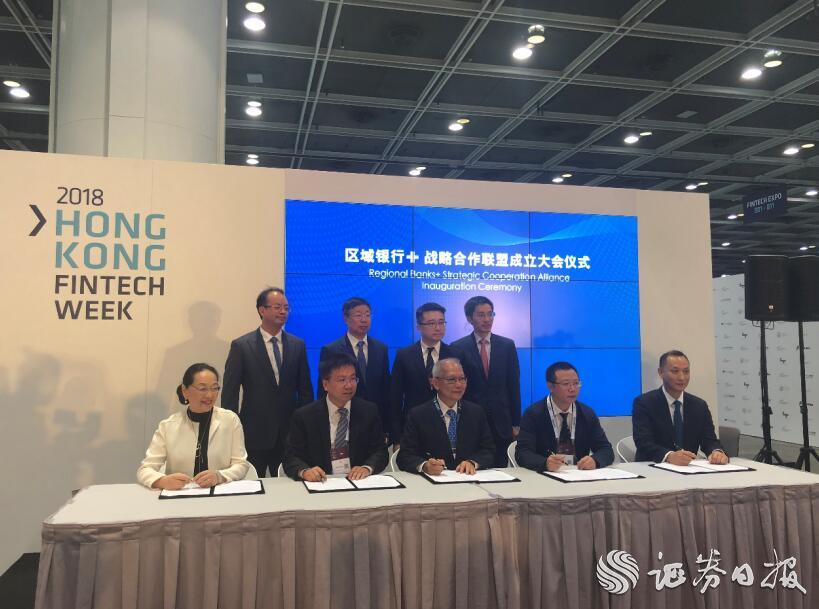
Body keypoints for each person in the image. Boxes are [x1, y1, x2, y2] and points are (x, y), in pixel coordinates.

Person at [222, 287, 313, 477]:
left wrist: (305, 426)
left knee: (290, 484)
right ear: (262, 310)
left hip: (289, 433)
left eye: (286, 308)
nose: (283, 312)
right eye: (277, 307)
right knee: (253, 484)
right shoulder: (242, 346)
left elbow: (305, 390)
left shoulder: (297, 345)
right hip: (254, 432)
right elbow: (230, 393)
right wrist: (232, 429)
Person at [138, 363, 249, 489]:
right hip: (181, 495)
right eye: (203, 389)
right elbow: (145, 469)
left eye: (215, 388)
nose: (210, 395)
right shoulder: (168, 426)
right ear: (185, 391)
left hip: (219, 494)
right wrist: (162, 481)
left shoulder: (230, 420)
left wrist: (220, 476)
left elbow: (241, 464)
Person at [284, 353, 388, 481]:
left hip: (357, 482)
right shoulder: (304, 416)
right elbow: (291, 457)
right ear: (325, 384)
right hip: (321, 483)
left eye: (353, 379)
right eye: (342, 380)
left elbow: (380, 452)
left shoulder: (368, 411)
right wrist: (305, 471)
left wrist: (367, 468)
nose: (349, 385)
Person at [451, 296, 521, 467]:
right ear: (470, 318)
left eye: (490, 314)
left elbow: (513, 385)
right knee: (470, 468)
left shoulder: (507, 345)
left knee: (500, 470)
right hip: (470, 420)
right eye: (481, 315)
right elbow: (456, 388)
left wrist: (516, 423)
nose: (487, 319)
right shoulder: (458, 347)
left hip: (501, 423)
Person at [397, 358, 495, 475]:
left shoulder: (476, 412)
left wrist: (473, 462)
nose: (459, 385)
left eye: (462, 379)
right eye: (452, 379)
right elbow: (405, 456)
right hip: (434, 481)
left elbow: (489, 450)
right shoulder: (418, 415)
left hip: (468, 478)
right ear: (436, 383)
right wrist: (425, 466)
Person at [632, 350, 728, 465]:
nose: (682, 377)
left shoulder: (699, 406)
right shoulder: (644, 403)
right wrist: (669, 456)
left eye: (686, 371)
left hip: (688, 469)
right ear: (661, 372)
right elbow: (643, 442)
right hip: (652, 467)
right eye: (675, 371)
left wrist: (716, 452)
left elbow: (709, 440)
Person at [515, 362, 614, 472]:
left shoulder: (587, 413)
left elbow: (606, 449)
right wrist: (544, 463)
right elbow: (522, 453)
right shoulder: (533, 414)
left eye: (576, 383)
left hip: (579, 474)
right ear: (550, 386)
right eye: (566, 384)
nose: (572, 389)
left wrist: (595, 460)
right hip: (545, 474)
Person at [318, 297, 391, 443]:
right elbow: (322, 390)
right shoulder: (331, 349)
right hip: (343, 420)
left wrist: (388, 427)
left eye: (367, 315)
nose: (364, 319)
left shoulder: (381, 348)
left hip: (375, 420)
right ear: (346, 318)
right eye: (358, 315)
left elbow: (386, 389)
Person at [389, 302, 457, 443]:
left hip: (448, 425)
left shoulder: (455, 354)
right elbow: (395, 398)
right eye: (431, 323)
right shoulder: (404, 355)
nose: (438, 328)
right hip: (413, 426)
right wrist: (396, 437)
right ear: (418, 326)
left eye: (441, 322)